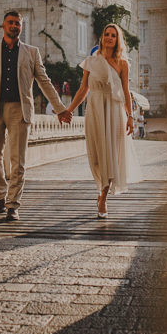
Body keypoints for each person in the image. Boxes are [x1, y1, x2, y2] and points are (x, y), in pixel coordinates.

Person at [0, 11, 69, 221]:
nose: (14, 26)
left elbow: (44, 82)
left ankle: (13, 204)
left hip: (20, 110)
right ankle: (0, 194)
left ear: (21, 27)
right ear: (3, 26)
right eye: (11, 23)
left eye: (18, 23)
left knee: (18, 160)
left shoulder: (32, 53)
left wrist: (59, 108)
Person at [59, 24, 142, 218]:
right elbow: (83, 89)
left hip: (114, 112)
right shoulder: (91, 61)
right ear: (102, 37)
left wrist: (130, 116)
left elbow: (126, 92)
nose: (109, 38)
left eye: (113, 35)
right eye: (106, 34)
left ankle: (103, 197)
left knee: (111, 156)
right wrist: (68, 110)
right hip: (95, 110)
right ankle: (100, 188)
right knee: (96, 156)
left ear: (118, 39)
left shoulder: (123, 63)